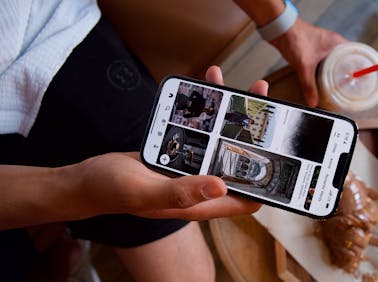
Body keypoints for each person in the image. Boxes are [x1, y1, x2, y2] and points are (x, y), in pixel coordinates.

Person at [0, 0, 347, 281]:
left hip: (47, 38)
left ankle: (65, 250)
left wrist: (283, 26)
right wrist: (77, 190)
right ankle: (63, 250)